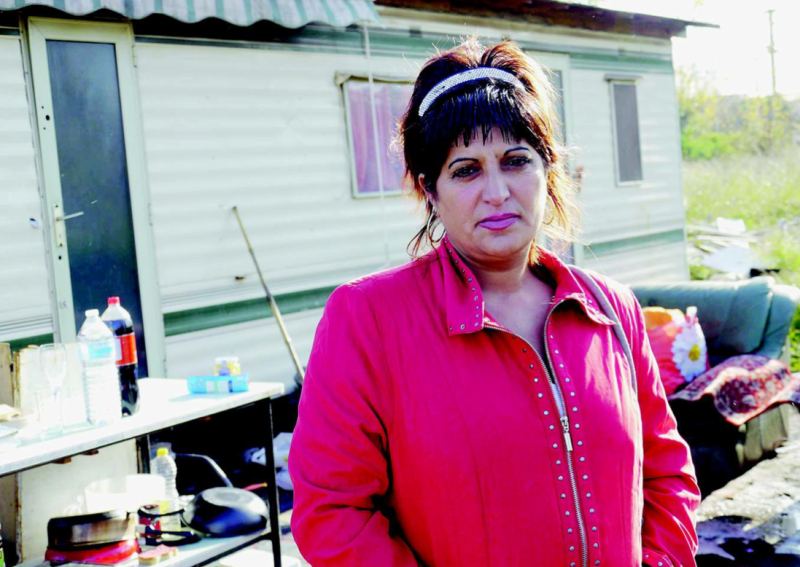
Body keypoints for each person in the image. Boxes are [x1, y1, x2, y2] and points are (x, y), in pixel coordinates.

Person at [289, 37, 700, 567]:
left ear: (546, 170)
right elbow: (332, 512)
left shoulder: (611, 310)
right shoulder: (369, 319)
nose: (498, 191)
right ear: (428, 189)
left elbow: (667, 472)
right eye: (466, 170)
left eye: (514, 160)